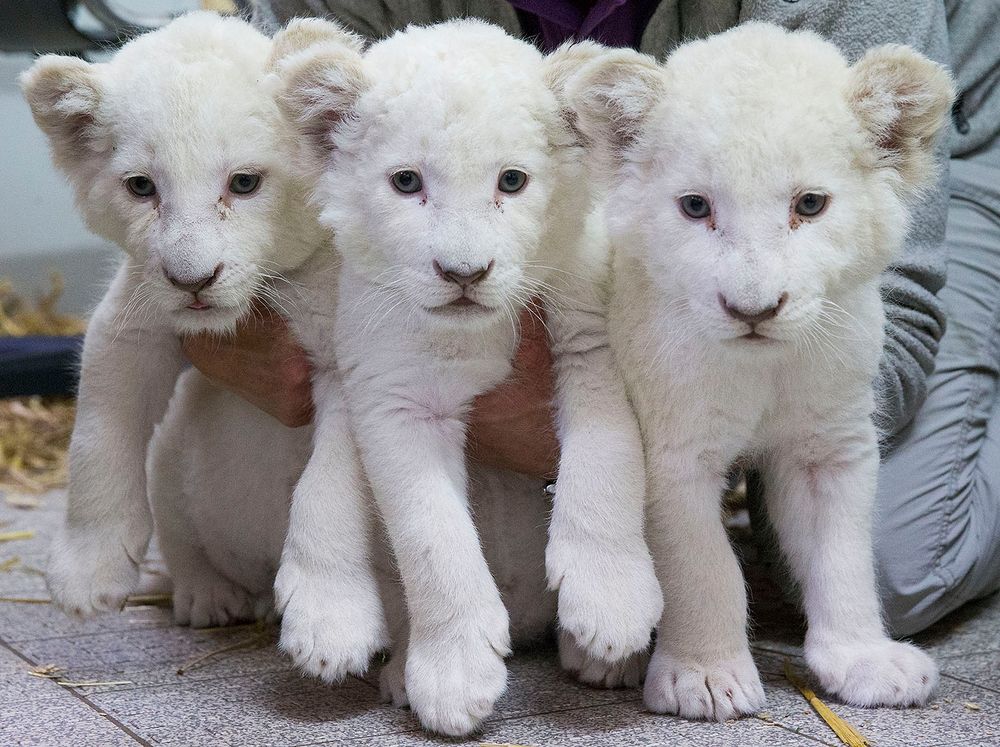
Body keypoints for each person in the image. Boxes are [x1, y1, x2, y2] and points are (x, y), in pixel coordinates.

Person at [183, 0, 1000, 636]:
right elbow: (227, 183)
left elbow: (896, 322)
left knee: (894, 565)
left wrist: (653, 443)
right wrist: (217, 320)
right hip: (657, 199)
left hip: (915, 165)